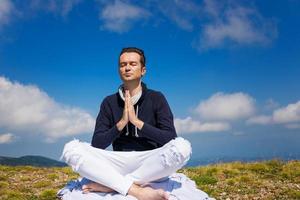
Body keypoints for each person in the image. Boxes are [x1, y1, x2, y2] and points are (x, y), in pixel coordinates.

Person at [61, 47, 192, 200]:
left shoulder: (157, 98)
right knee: (71, 149)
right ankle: (136, 190)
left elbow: (170, 138)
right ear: (119, 70)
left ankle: (112, 184)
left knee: (182, 147)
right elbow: (97, 143)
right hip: (117, 161)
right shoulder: (109, 102)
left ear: (143, 70)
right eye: (123, 65)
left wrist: (137, 122)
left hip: (150, 163)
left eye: (132, 64)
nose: (127, 68)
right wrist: (122, 123)